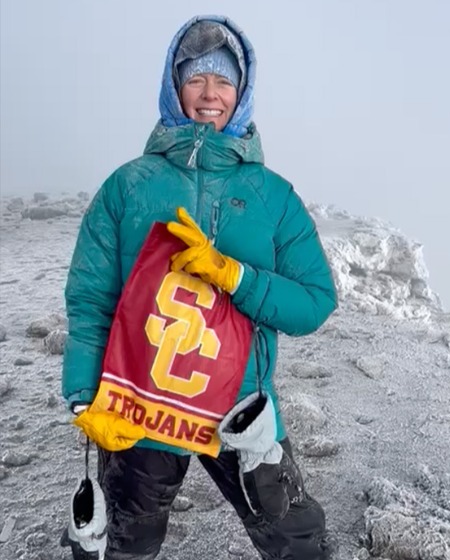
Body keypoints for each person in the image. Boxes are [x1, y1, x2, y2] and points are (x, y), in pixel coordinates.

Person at [62, 14, 337, 560]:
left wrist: (237, 276)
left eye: (224, 80)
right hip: (141, 405)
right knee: (123, 544)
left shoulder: (273, 197)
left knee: (297, 541)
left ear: (243, 92)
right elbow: (92, 298)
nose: (210, 94)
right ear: (173, 85)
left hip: (240, 413)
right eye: (196, 78)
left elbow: (314, 302)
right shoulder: (128, 186)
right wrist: (81, 392)